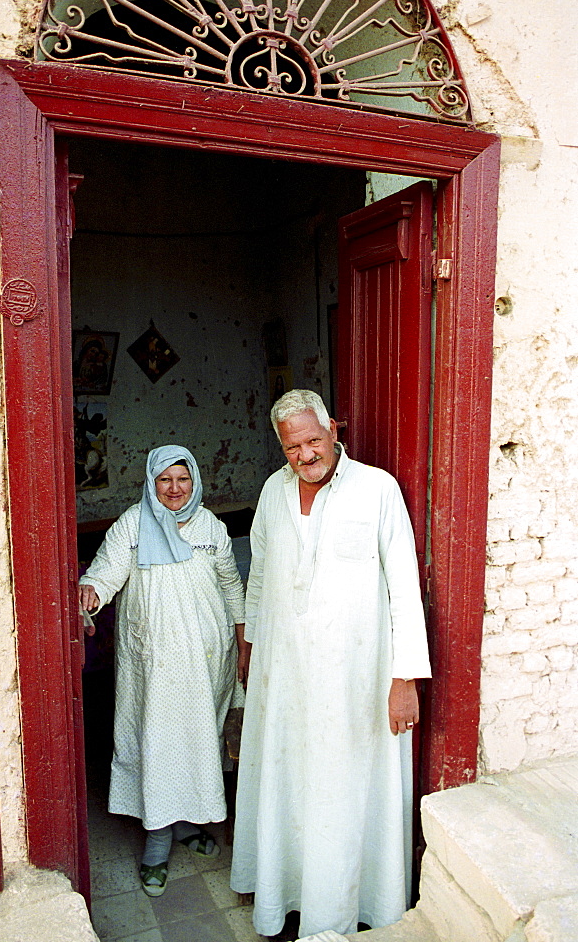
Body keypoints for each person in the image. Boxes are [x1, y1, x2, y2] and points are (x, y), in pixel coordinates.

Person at [230, 390, 431, 937]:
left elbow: (405, 589)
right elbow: (262, 578)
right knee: (292, 784)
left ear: (334, 429)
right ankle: (287, 898)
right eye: (292, 446)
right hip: (287, 676)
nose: (304, 455)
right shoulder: (273, 490)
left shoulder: (377, 489)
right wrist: (251, 651)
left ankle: (350, 909)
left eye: (312, 440)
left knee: (345, 791)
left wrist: (404, 678)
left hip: (357, 681)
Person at [79, 445, 247, 897]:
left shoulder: (210, 526)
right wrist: (92, 591)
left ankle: (188, 824)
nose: (175, 489)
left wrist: (244, 639)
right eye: (165, 480)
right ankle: (157, 839)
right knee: (156, 742)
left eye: (183, 479)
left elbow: (231, 585)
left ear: (195, 481)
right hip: (153, 662)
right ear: (152, 483)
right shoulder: (134, 523)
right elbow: (106, 571)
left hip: (209, 659)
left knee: (198, 741)